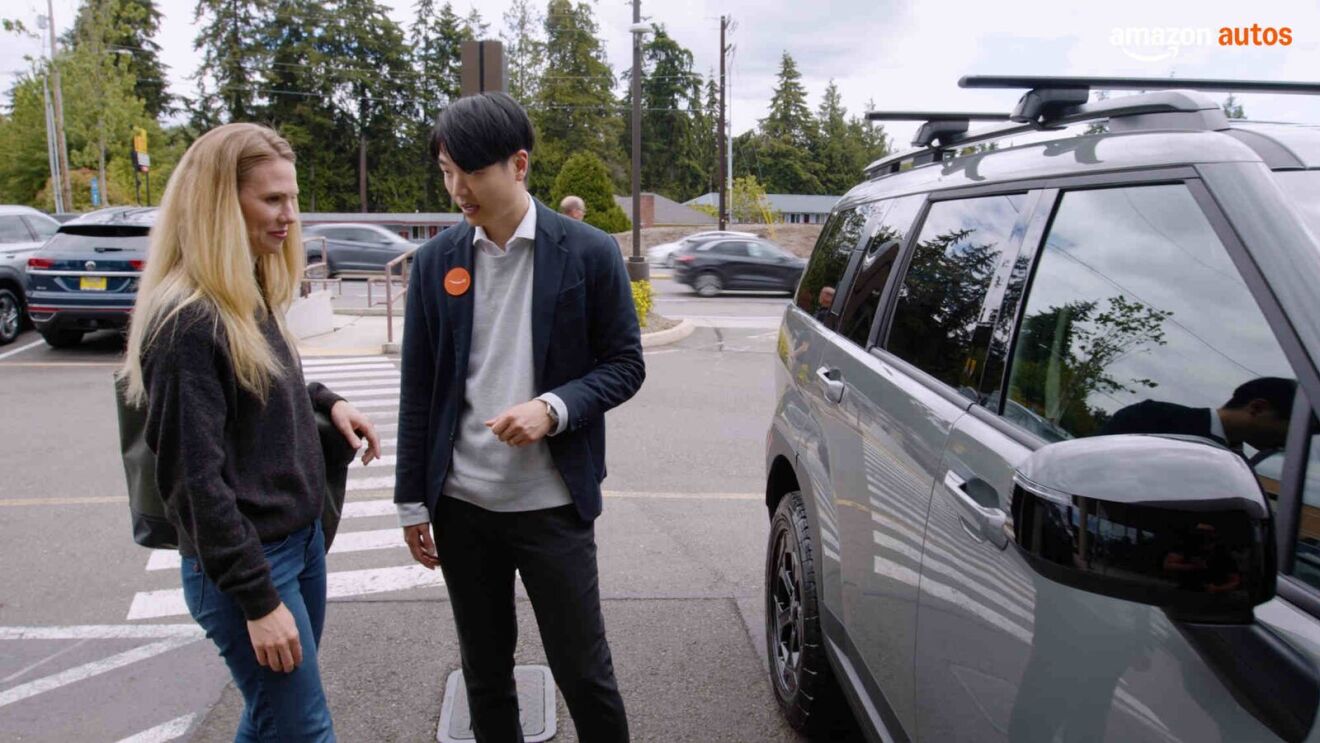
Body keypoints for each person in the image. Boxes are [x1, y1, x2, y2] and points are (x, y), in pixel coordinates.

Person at [395, 92, 644, 742]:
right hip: (461, 507)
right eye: (447, 172)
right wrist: (411, 501)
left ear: (519, 164)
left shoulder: (587, 252)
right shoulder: (436, 262)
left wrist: (552, 408)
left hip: (552, 504)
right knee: (484, 673)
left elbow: (625, 364)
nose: (458, 189)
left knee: (584, 672)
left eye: (472, 172)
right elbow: (418, 388)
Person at [120, 123, 381, 742]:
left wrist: (327, 401)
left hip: (297, 544)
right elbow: (193, 483)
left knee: (273, 722)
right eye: (272, 199)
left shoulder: (246, 290)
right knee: (304, 730)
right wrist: (259, 602)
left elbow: (260, 384)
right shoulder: (188, 322)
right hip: (251, 565)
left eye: (292, 198)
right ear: (218, 204)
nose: (290, 215)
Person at [1099, 376, 1296, 452]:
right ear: (1257, 408)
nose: (1289, 443)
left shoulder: (1241, 468)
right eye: (1292, 430)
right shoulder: (1149, 418)